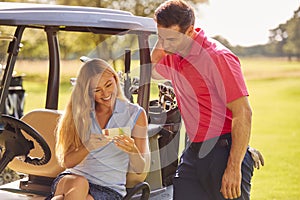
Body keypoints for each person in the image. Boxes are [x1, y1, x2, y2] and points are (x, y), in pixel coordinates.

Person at [151, 0, 263, 199]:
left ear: (190, 31)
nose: (166, 45)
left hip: (224, 150)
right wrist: (164, 38)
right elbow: (153, 69)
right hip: (194, 151)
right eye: (162, 38)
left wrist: (233, 167)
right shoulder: (174, 55)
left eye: (172, 38)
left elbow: (243, 113)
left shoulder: (218, 57)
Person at [49, 58, 150, 200]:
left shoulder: (136, 114)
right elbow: (67, 162)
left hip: (109, 188)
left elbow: (140, 169)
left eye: (109, 85)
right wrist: (87, 147)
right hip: (72, 180)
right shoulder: (79, 114)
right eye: (97, 90)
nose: (106, 94)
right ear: (88, 92)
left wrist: (133, 150)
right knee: (80, 183)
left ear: (115, 79)